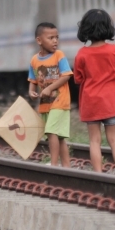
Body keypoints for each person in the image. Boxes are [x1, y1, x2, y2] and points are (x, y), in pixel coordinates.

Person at [74, 9, 115, 176]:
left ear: (84, 29)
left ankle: (98, 174)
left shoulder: (82, 54)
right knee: (114, 140)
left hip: (91, 103)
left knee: (94, 141)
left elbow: (78, 78)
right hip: (110, 103)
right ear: (108, 27)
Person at [28, 22, 73, 167]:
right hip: (46, 103)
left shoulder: (59, 55)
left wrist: (49, 88)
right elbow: (33, 79)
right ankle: (66, 167)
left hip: (60, 100)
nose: (55, 41)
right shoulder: (34, 60)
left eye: (57, 37)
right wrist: (31, 91)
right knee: (58, 137)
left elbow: (66, 75)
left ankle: (54, 165)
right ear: (39, 40)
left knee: (51, 131)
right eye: (51, 38)